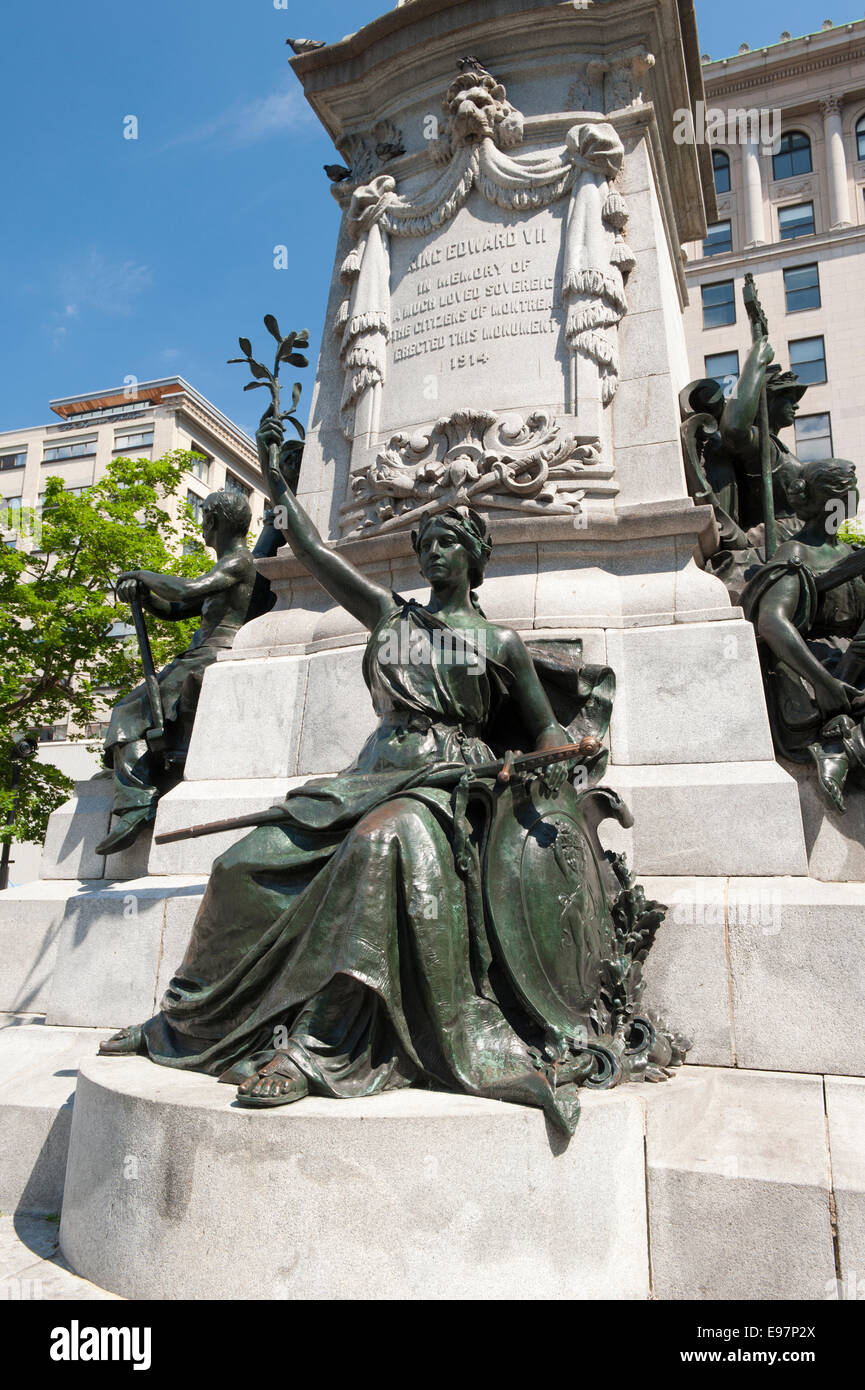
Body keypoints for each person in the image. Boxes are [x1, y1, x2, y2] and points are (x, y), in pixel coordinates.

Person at [99, 410, 678, 1135]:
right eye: (426, 543)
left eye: (447, 544)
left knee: (378, 847)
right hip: (367, 772)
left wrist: (555, 755)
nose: (433, 554)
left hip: (444, 787)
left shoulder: (498, 642)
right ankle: (184, 1026)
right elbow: (312, 553)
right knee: (242, 865)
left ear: (473, 557)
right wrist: (280, 487)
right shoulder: (389, 617)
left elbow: (544, 733)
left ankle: (315, 1048)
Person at [95, 490, 255, 856]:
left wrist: (141, 575)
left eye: (204, 518)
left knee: (125, 711)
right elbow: (175, 608)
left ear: (215, 521)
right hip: (197, 654)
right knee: (132, 709)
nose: (201, 526)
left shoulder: (239, 562)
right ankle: (135, 779)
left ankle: (136, 802)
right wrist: (146, 596)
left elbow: (186, 588)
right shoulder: (225, 566)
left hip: (212, 654)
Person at [741, 458, 865, 813]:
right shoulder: (796, 553)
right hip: (817, 665)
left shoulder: (851, 551)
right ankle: (839, 751)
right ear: (832, 502)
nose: (853, 503)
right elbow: (772, 623)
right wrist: (825, 682)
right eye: (849, 496)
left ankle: (845, 751)